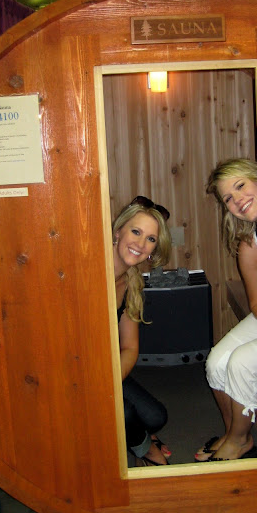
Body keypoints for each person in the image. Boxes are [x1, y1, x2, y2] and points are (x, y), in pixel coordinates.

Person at [195, 158, 257, 462]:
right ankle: (235, 433)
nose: (237, 200)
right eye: (228, 198)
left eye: (240, 186)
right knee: (216, 361)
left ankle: (237, 441)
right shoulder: (250, 243)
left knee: (242, 362)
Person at [113, 196, 173, 466]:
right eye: (135, 232)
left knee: (156, 416)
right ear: (118, 231)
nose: (140, 244)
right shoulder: (89, 270)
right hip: (70, 371)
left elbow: (129, 348)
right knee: (124, 414)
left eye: (150, 239)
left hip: (104, 370)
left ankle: (137, 435)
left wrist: (110, 383)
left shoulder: (131, 283)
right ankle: (146, 449)